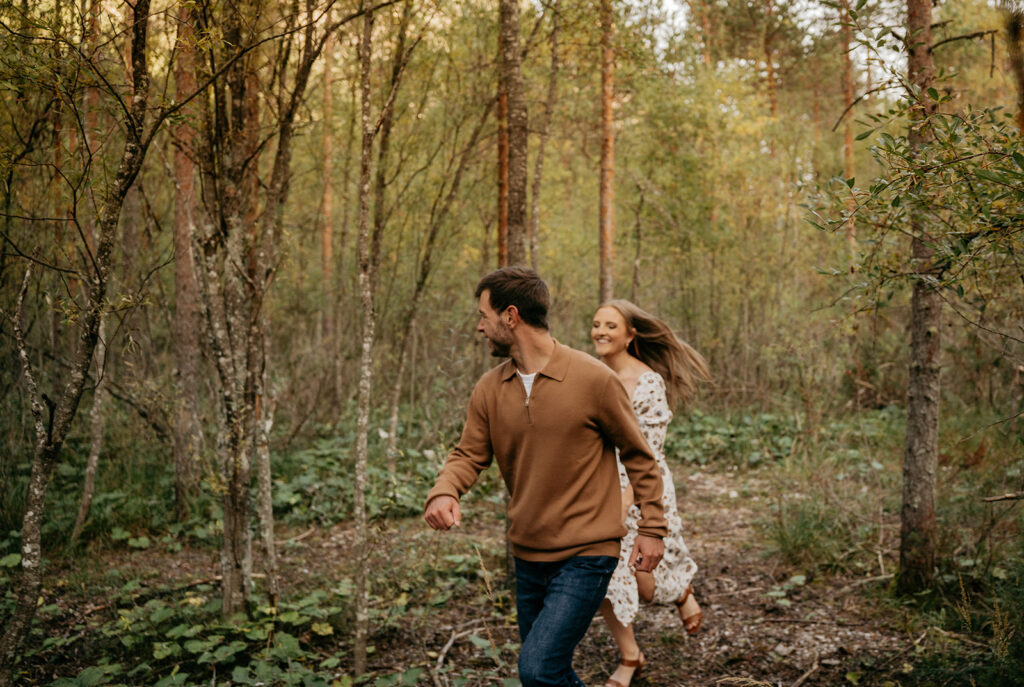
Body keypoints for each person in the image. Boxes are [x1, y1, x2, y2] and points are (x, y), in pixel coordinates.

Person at [424, 267, 668, 687]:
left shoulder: (593, 379)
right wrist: (444, 491)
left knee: (536, 669)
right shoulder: (490, 388)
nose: (480, 326)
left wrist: (653, 528)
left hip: (588, 553)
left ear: (511, 316)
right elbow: (468, 453)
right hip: (529, 556)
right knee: (548, 672)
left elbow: (640, 457)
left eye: (484, 315)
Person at [590, 299, 712, 687]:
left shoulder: (647, 383)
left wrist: (625, 505)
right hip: (600, 491)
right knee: (606, 576)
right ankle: (631, 657)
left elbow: (650, 453)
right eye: (596, 325)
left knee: (645, 585)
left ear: (630, 335)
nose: (601, 332)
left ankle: (680, 592)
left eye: (611, 326)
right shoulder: (592, 376)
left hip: (644, 492)